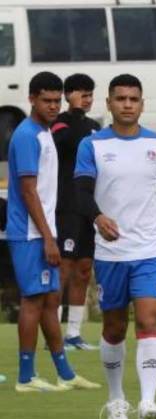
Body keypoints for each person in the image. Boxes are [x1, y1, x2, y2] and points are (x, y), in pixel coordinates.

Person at [74, 74, 156, 419]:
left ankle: (148, 403)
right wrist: (98, 217)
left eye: (133, 99)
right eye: (120, 99)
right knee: (115, 328)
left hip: (150, 251)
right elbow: (81, 192)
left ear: (142, 103)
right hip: (111, 254)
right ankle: (117, 398)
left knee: (149, 320)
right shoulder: (93, 146)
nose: (127, 105)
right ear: (109, 103)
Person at [7, 71, 100, 392]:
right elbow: (29, 191)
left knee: (49, 301)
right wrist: (48, 237)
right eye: (45, 100)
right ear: (31, 99)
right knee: (33, 301)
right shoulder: (26, 136)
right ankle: (25, 376)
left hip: (44, 230)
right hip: (30, 234)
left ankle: (65, 372)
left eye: (56, 101)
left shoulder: (46, 133)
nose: (51, 106)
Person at [51, 73, 101, 350]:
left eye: (90, 94)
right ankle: (54, 333)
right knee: (64, 268)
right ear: (69, 95)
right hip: (65, 206)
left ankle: (73, 333)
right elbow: (66, 143)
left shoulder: (94, 126)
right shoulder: (59, 124)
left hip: (88, 208)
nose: (87, 99)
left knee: (84, 269)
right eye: (81, 93)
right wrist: (74, 111)